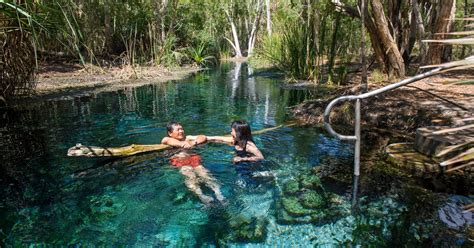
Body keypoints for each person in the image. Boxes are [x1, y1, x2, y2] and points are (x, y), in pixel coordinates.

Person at [161, 121, 225, 204]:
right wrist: (182, 144)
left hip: (194, 160)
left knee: (205, 174)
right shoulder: (169, 139)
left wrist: (194, 142)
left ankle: (218, 193)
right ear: (170, 133)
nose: (181, 131)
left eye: (182, 129)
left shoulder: (188, 138)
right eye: (178, 130)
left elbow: (203, 137)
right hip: (181, 162)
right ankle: (202, 196)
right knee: (190, 176)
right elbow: (165, 140)